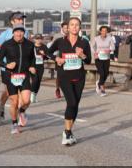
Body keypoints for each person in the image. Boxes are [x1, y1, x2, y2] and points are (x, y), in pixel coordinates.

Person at [49, 17, 92, 146]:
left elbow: (88, 60)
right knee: (71, 102)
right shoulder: (60, 41)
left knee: (75, 105)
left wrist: (82, 55)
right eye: (72, 25)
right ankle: (67, 133)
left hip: (79, 77)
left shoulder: (84, 42)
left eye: (77, 25)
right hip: (64, 76)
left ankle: (68, 131)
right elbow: (48, 52)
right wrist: (56, 59)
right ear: (67, 27)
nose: (74, 27)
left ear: (80, 27)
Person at [0, 25, 37, 135]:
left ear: (24, 33)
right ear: (13, 33)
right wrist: (6, 65)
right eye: (17, 32)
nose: (19, 34)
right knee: (14, 102)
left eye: (21, 32)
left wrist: (32, 66)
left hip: (24, 75)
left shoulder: (29, 44)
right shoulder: (7, 44)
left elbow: (33, 58)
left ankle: (22, 111)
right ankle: (14, 124)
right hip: (11, 76)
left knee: (27, 100)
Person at [0, 14, 26, 120]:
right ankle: (2, 106)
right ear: (12, 22)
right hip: (7, 68)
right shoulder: (5, 34)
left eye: (22, 19)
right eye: (18, 19)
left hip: (22, 68)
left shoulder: (26, 32)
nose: (21, 21)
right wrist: (7, 56)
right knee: (8, 92)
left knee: (21, 92)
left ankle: (20, 114)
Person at [91, 25, 117, 96]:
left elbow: (113, 47)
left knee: (106, 73)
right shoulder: (96, 38)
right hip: (98, 58)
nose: (104, 32)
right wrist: (95, 53)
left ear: (107, 32)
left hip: (106, 57)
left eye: (105, 31)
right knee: (102, 73)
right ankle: (102, 88)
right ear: (100, 31)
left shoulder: (110, 38)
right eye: (102, 31)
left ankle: (99, 82)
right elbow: (92, 46)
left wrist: (109, 50)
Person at [31, 34, 49, 102]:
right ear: (34, 39)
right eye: (37, 39)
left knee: (38, 81)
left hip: (40, 66)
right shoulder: (31, 46)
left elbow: (48, 56)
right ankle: (31, 93)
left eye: (40, 39)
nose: (38, 40)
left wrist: (44, 54)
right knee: (35, 80)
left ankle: (34, 95)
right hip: (32, 66)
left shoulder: (44, 47)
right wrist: (30, 66)